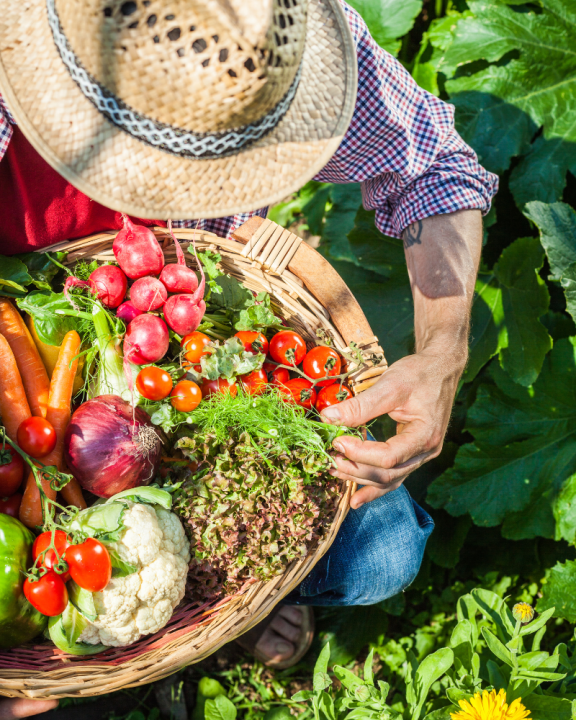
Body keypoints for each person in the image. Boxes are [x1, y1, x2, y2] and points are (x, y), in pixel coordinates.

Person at [0, 0, 496, 672]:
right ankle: (206, 607)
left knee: (383, 554)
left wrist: (442, 354)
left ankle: (216, 605)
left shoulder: (266, 36)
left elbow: (434, 164)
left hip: (203, 368)